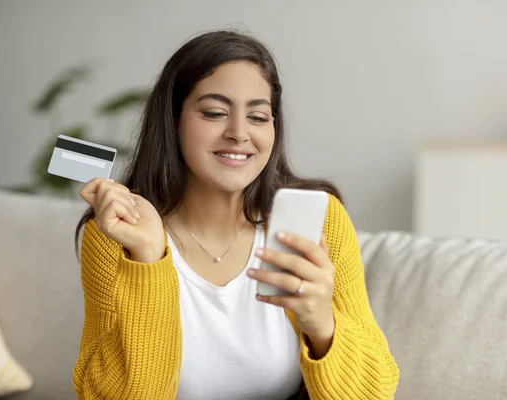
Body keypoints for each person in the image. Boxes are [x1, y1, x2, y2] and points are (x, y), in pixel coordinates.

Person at [71, 29, 399, 400]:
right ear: (173, 120)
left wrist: (322, 324)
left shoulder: (321, 221)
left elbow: (375, 393)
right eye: (214, 113)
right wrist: (148, 260)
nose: (240, 133)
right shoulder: (117, 234)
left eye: (259, 116)